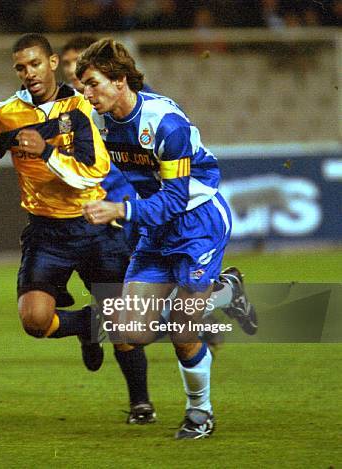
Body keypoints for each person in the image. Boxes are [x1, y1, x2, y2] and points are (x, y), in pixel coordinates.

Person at [0, 33, 155, 425]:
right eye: (20, 67)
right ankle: (87, 326)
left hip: (95, 226)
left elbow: (92, 171)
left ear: (51, 63)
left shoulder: (80, 106)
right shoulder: (5, 115)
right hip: (47, 233)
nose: (28, 73)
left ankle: (141, 403)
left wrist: (46, 152)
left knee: (126, 326)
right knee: (34, 320)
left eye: (34, 64)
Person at [76, 38, 257, 439]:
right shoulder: (100, 119)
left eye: (92, 83)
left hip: (198, 223)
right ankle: (225, 292)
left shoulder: (164, 125)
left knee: (182, 329)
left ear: (120, 80)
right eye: (82, 86)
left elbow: (175, 197)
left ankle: (200, 413)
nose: (86, 94)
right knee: (130, 331)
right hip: (157, 228)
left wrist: (120, 210)